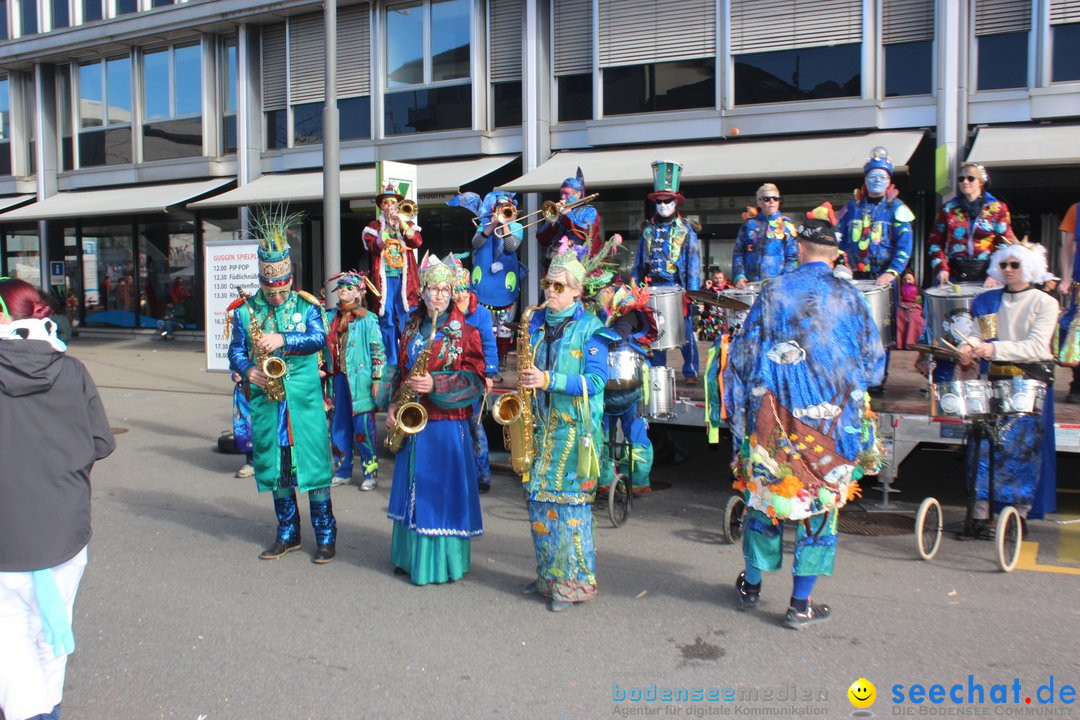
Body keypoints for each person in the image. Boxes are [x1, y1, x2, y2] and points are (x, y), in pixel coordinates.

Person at [723, 215, 885, 628]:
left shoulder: (774, 291)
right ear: (834, 256)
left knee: (765, 504)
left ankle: (753, 586)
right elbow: (875, 365)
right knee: (818, 510)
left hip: (773, 424)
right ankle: (799, 606)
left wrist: (739, 417)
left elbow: (742, 357)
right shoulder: (851, 296)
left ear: (800, 249)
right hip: (831, 432)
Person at [0, 277, 116, 720]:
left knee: (10, 645)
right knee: (51, 635)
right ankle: (46, 710)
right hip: (64, 530)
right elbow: (100, 443)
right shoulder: (71, 370)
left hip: (7, 535)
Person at [227, 208, 338, 564]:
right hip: (267, 403)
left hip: (303, 403)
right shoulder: (245, 312)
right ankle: (287, 534)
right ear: (261, 280)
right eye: (270, 289)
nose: (276, 296)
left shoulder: (306, 305)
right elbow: (235, 351)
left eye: (282, 288)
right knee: (279, 471)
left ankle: (325, 537)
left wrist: (282, 339)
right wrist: (247, 370)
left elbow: (319, 338)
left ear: (290, 278)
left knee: (315, 468)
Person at [518, 247, 617, 612]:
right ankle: (548, 577)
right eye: (548, 284)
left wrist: (549, 379)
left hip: (576, 434)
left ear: (577, 291)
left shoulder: (592, 328)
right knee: (539, 506)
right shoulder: (537, 326)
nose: (551, 291)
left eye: (560, 286)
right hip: (541, 429)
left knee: (570, 513)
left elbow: (596, 381)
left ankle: (574, 584)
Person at [387, 254, 486, 585]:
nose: (440, 296)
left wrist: (436, 383)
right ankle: (408, 557)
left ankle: (441, 563)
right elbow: (401, 369)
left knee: (437, 493)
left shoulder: (467, 333)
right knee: (411, 489)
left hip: (444, 424)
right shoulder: (411, 325)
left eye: (446, 289)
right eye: (433, 289)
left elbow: (475, 382)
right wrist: (391, 404)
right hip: (412, 419)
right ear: (423, 291)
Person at [958, 243, 1059, 524]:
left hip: (1029, 383)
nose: (1009, 270)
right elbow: (980, 336)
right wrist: (969, 346)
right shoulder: (988, 300)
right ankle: (980, 514)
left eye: (1015, 265)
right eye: (1004, 265)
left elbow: (1038, 347)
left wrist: (994, 350)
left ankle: (1017, 516)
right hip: (993, 380)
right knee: (984, 448)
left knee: (1020, 451)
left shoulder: (1045, 302)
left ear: (1030, 268)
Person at [631, 160, 703, 381]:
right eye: (659, 201)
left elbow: (693, 263)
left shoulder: (686, 230)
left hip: (677, 288)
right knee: (655, 330)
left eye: (667, 200)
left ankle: (690, 370)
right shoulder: (648, 231)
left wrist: (692, 293)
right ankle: (657, 371)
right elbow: (639, 262)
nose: (663, 205)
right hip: (652, 288)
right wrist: (634, 286)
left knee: (685, 331)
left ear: (676, 201)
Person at [448, 189, 525, 376]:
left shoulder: (516, 227)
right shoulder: (484, 225)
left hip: (504, 284)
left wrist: (505, 224)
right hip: (484, 284)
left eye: (506, 208)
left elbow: (510, 246)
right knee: (485, 324)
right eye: (499, 208)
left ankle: (503, 358)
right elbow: (476, 244)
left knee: (505, 325)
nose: (502, 211)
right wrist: (491, 225)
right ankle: (484, 358)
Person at [325, 270, 386, 491]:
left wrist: (377, 377)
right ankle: (342, 470)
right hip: (338, 378)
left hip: (361, 380)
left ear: (359, 293)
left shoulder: (367, 319)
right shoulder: (330, 316)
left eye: (349, 287)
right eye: (341, 286)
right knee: (338, 425)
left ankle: (370, 472)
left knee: (363, 428)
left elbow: (378, 349)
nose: (343, 289)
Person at [595, 279, 656, 495]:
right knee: (602, 432)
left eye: (605, 290)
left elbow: (618, 334)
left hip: (630, 384)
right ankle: (604, 479)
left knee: (635, 431)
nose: (602, 293)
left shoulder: (629, 310)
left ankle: (637, 479)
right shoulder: (596, 311)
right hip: (606, 385)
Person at [448, 255, 498, 494]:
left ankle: (482, 474)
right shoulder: (446, 313)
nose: (459, 295)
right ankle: (457, 474)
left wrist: (489, 374)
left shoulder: (482, 314)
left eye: (463, 290)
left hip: (473, 378)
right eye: (455, 290)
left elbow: (489, 344)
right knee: (452, 427)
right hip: (450, 379)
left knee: (475, 426)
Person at [362, 181, 423, 372]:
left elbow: (417, 242)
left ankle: (409, 358)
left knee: (407, 317)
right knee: (386, 318)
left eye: (393, 202)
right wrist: (385, 232)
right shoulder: (373, 227)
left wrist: (402, 222)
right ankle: (391, 361)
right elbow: (372, 247)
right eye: (386, 202)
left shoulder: (408, 224)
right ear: (381, 206)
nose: (390, 206)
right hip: (384, 281)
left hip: (406, 281)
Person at [928, 162, 1016, 286]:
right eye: (961, 179)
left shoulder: (998, 208)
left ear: (981, 182)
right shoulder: (947, 208)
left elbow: (1004, 243)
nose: (965, 182)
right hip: (954, 273)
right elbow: (935, 242)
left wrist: (995, 273)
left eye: (970, 178)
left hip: (987, 273)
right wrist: (940, 267)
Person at [731, 183, 798, 288]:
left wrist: (785, 279)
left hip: (777, 285)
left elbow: (793, 257)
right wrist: (739, 276)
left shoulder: (787, 226)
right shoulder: (749, 224)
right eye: (767, 198)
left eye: (775, 198)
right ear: (759, 202)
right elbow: (738, 252)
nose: (772, 201)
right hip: (751, 284)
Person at [535, 168, 602, 259]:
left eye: (566, 193)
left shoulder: (589, 210)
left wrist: (567, 216)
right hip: (556, 260)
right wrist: (552, 222)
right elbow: (541, 239)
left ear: (578, 194)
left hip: (579, 260)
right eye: (561, 193)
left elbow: (587, 233)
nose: (562, 197)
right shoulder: (558, 212)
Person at [1057, 200, 1080, 402]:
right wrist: (1066, 277)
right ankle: (1078, 384)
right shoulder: (1076, 209)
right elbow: (1067, 247)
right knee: (1076, 334)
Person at [894, 270, 925, 351]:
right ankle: (901, 343)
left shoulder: (918, 290)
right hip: (902, 307)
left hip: (915, 307)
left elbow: (920, 302)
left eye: (909, 279)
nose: (907, 281)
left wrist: (916, 306)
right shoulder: (898, 290)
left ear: (913, 279)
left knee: (915, 318)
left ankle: (913, 342)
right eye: (905, 279)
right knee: (900, 317)